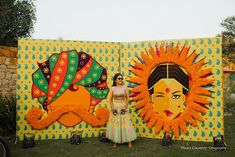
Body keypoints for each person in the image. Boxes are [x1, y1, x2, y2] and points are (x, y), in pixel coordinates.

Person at [106, 73, 137, 148]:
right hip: (115, 107)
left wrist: (125, 108)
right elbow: (110, 99)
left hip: (123, 107)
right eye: (119, 78)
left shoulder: (125, 87)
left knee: (126, 123)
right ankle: (115, 141)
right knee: (116, 123)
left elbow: (127, 98)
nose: (120, 80)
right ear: (115, 80)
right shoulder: (112, 88)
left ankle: (129, 141)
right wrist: (113, 108)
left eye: (121, 78)